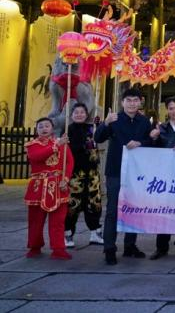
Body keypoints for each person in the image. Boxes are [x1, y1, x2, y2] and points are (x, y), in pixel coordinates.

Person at [94, 88, 154, 265]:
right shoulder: (114, 119)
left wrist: (141, 142)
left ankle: (130, 245)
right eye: (129, 100)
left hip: (136, 173)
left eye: (135, 100)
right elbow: (98, 138)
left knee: (133, 209)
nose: (132, 103)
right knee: (113, 210)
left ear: (140, 102)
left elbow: (151, 142)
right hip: (115, 171)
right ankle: (109, 248)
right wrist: (105, 123)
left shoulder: (144, 122)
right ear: (122, 102)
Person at [149, 96, 175, 260]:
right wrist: (153, 138)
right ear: (167, 110)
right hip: (165, 174)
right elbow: (153, 150)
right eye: (171, 108)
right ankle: (161, 247)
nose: (174, 111)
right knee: (163, 210)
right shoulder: (162, 128)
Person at [25, 117, 73, 260]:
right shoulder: (31, 145)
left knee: (58, 220)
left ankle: (58, 248)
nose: (44, 129)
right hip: (38, 186)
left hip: (59, 185)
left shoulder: (61, 143)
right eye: (40, 126)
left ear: (52, 128)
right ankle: (35, 246)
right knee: (35, 220)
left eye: (47, 126)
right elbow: (37, 157)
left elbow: (69, 162)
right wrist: (57, 145)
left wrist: (66, 179)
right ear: (36, 130)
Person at [64, 103, 103, 248]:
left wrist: (100, 127)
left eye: (82, 112)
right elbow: (68, 149)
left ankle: (95, 233)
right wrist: (82, 146)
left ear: (86, 114)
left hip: (92, 173)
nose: (79, 114)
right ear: (72, 115)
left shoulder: (91, 128)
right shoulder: (68, 129)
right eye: (76, 112)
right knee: (72, 204)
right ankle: (68, 234)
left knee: (94, 203)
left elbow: (100, 138)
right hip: (75, 173)